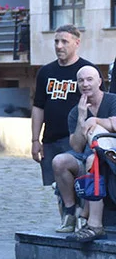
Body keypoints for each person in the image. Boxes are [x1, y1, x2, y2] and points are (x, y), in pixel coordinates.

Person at [32, 25, 93, 232]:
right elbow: (38, 107)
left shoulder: (86, 71)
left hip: (78, 140)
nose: (59, 46)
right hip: (51, 139)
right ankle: (67, 223)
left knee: (82, 183)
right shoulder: (46, 72)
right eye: (56, 41)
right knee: (59, 187)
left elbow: (97, 105)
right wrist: (35, 140)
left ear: (77, 43)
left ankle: (84, 223)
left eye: (64, 41)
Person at [52, 64, 116, 242]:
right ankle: (70, 212)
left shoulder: (112, 100)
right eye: (81, 81)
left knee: (92, 160)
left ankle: (90, 220)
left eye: (89, 79)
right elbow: (77, 147)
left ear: (99, 82)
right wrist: (82, 118)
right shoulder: (76, 111)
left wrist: (96, 120)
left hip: (110, 155)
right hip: (86, 155)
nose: (85, 84)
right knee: (59, 161)